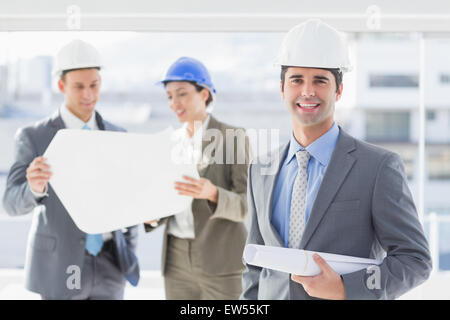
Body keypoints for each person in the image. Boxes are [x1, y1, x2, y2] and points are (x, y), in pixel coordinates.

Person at [241, 19, 432, 300]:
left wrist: (347, 289)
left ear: (338, 90)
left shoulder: (377, 168)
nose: (307, 91)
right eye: (296, 80)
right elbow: (256, 266)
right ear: (282, 89)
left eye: (320, 80)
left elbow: (414, 259)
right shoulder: (261, 169)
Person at [2, 39, 140, 299]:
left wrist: (129, 247)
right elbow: (10, 203)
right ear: (61, 85)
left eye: (94, 85)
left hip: (111, 264)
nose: (88, 94)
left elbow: (129, 198)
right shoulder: (34, 137)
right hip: (60, 265)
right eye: (79, 87)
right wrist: (34, 187)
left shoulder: (118, 135)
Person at [144, 57, 251, 299]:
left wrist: (213, 193)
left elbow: (246, 206)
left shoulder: (233, 137)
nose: (174, 103)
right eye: (169, 96)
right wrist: (150, 216)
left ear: (204, 94)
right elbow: (163, 198)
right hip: (176, 258)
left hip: (222, 257)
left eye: (182, 94)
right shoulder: (168, 143)